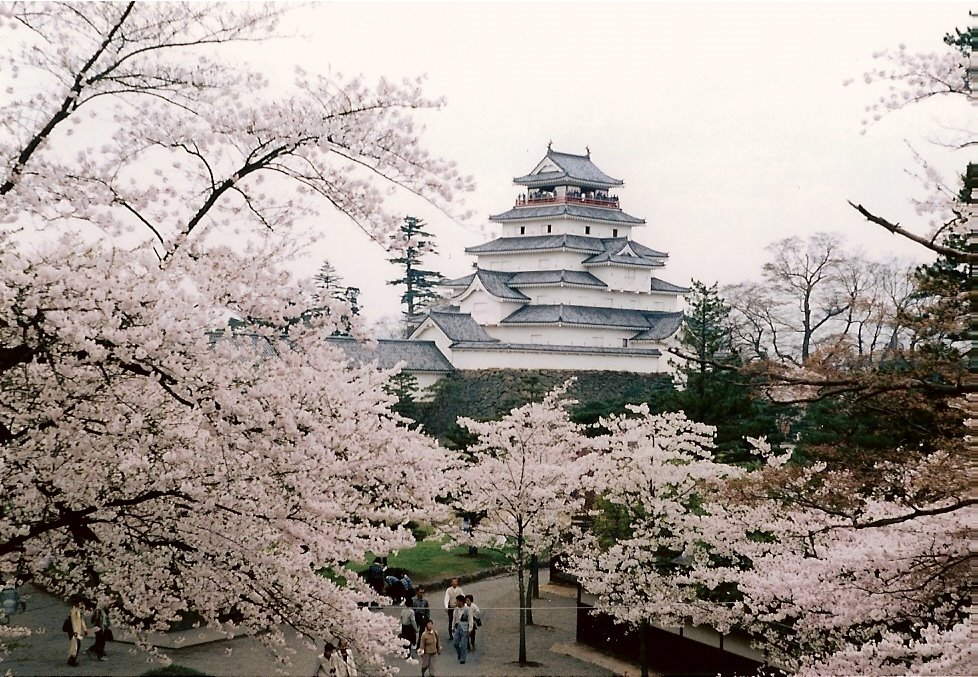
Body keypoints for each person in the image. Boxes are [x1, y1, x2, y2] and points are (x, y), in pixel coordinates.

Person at [66, 598, 88, 667]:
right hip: (73, 631)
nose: (81, 604)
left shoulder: (79, 611)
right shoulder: (73, 611)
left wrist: (85, 629)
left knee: (77, 645)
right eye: (80, 603)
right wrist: (74, 632)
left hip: (77, 631)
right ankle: (72, 659)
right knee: (75, 645)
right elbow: (73, 622)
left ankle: (72, 659)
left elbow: (81, 620)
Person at [451, 594, 471, 664]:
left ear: (461, 602)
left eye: (457, 601)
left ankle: (463, 658)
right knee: (455, 643)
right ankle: (459, 653)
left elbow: (470, 619)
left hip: (465, 629)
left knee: (463, 645)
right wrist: (452, 627)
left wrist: (470, 629)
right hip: (458, 627)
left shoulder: (467, 609)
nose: (456, 602)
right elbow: (454, 618)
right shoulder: (456, 609)